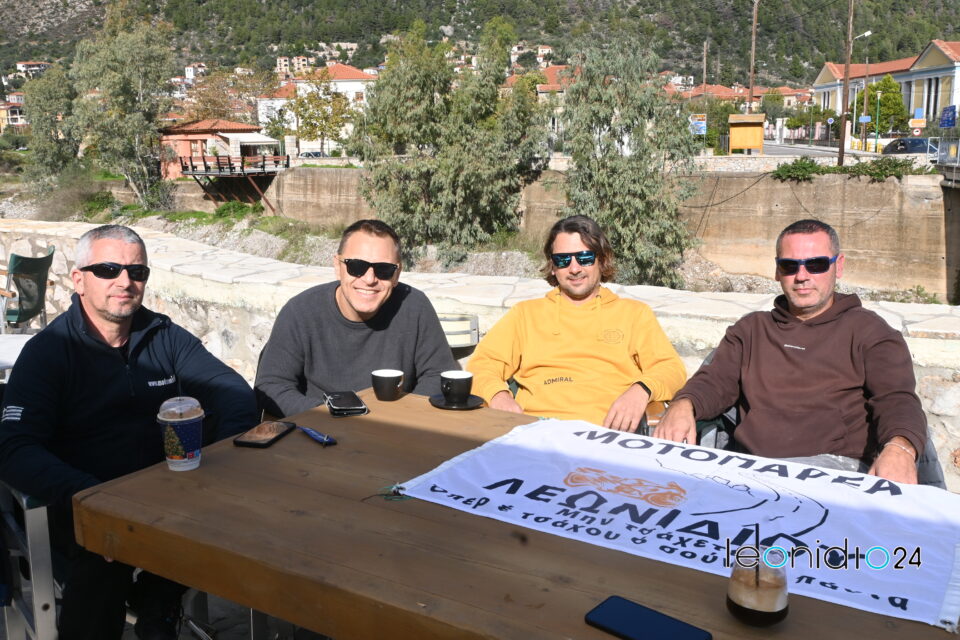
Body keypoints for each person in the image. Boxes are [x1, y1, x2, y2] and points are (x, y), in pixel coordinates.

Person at [0, 225, 259, 640]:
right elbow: (14, 447)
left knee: (243, 514)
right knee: (101, 562)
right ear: (79, 280)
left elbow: (231, 390)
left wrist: (222, 457)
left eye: (137, 272)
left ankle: (158, 602)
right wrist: (89, 496)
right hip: (81, 498)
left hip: (165, 494)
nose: (125, 281)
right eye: (108, 269)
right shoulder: (48, 352)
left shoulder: (163, 336)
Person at [654, 218, 926, 484]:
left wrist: (900, 447)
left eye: (816, 264)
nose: (802, 276)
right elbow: (715, 380)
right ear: (777, 271)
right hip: (751, 468)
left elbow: (896, 398)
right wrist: (684, 404)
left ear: (838, 266)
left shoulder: (870, 332)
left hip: (832, 473)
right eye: (789, 266)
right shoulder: (752, 329)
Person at [467, 215, 686, 430]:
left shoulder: (634, 314)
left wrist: (641, 390)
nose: (574, 269)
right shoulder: (525, 314)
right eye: (563, 260)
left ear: (602, 260)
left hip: (606, 434)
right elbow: (483, 364)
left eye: (584, 257)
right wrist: (498, 395)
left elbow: (670, 369)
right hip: (535, 434)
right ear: (553, 266)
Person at [255, 219, 457, 418]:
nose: (369, 279)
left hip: (395, 428)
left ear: (397, 274)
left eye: (384, 269)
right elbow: (271, 385)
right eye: (357, 266)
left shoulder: (415, 307)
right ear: (338, 266)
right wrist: (333, 416)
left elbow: (438, 375)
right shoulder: (301, 311)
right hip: (320, 427)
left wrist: (399, 418)